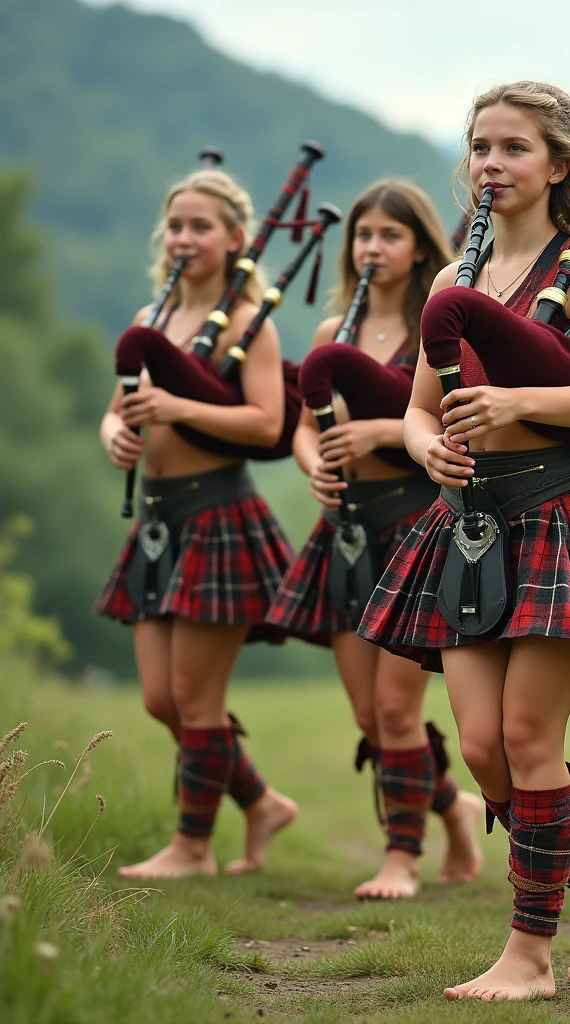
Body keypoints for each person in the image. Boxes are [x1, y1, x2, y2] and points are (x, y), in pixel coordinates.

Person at [358, 81, 570, 1001]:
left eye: (512, 148)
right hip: (469, 525)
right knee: (480, 749)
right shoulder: (449, 280)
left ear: (558, 165)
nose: (490, 165)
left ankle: (528, 953)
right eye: (479, 147)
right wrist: (428, 449)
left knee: (525, 734)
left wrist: (518, 403)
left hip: (560, 514)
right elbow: (415, 412)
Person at [266, 180, 483, 899]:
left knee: (396, 708)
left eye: (389, 235)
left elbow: (450, 418)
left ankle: (399, 856)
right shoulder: (334, 334)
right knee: (370, 714)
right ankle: (452, 809)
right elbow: (302, 426)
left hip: (416, 524)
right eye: (362, 236)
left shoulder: (444, 321)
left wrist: (383, 432)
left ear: (420, 243)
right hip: (348, 528)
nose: (372, 248)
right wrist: (314, 466)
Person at [95, 168, 297, 879]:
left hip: (219, 516)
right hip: (158, 519)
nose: (184, 238)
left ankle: (192, 848)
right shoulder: (153, 319)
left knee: (194, 698)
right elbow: (119, 407)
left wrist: (179, 410)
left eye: (200, 226)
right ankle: (260, 800)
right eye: (175, 225)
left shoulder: (248, 324)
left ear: (235, 239)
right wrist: (113, 432)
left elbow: (267, 422)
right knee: (160, 699)